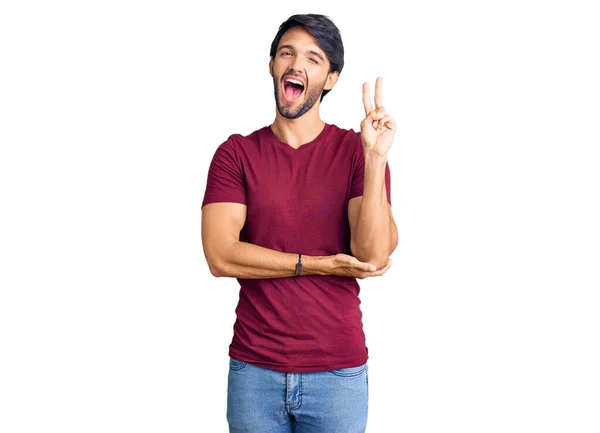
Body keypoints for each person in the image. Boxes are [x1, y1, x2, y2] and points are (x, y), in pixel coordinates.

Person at [201, 13, 398, 433]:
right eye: (286, 53)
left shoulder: (355, 152)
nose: (296, 65)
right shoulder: (235, 154)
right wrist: (319, 264)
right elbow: (220, 255)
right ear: (272, 65)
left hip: (338, 373)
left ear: (330, 78)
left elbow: (373, 254)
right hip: (254, 371)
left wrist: (375, 156)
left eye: (313, 58)